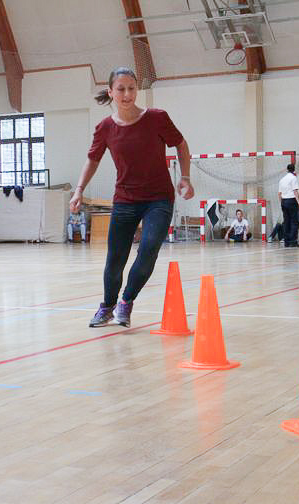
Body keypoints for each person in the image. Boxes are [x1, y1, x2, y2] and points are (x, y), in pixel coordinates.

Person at [70, 67, 193, 328]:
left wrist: (185, 176)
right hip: (125, 199)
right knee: (115, 259)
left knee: (149, 249)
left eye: (131, 88)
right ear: (110, 92)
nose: (127, 94)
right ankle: (107, 307)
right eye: (121, 89)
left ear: (137, 90)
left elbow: (181, 144)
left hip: (159, 199)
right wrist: (79, 189)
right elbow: (92, 160)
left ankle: (126, 302)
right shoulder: (105, 127)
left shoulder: (157, 118)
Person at [278, 163, 299, 247]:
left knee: (286, 221)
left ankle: (286, 241)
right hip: (292, 201)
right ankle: (293, 241)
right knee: (294, 222)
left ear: (287, 170)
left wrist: (281, 203)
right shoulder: (293, 178)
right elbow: (295, 191)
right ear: (294, 170)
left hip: (284, 201)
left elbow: (279, 193)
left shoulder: (282, 179)